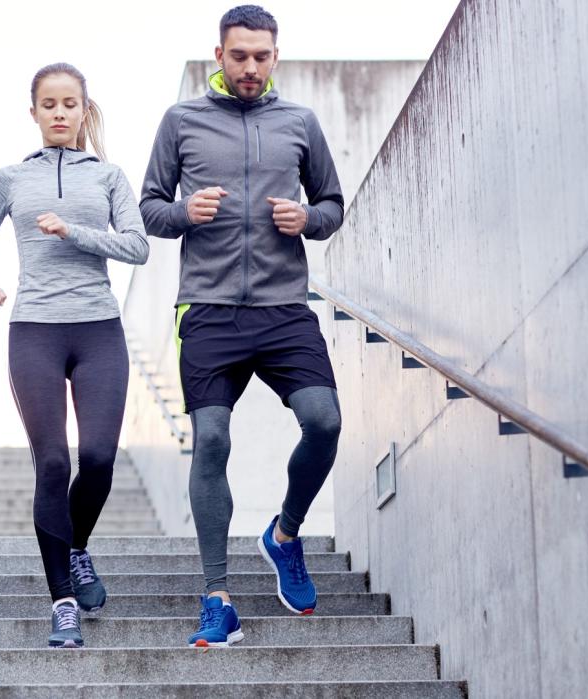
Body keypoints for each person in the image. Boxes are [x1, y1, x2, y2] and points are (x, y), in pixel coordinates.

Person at [139, 5, 345, 647]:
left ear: (274, 56)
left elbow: (335, 204)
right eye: (239, 56)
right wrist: (184, 212)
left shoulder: (300, 123)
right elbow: (149, 209)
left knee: (324, 420)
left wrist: (308, 221)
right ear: (219, 57)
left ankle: (284, 535)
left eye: (261, 56)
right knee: (213, 439)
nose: (250, 67)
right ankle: (217, 596)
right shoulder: (182, 122)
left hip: (284, 308)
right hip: (207, 308)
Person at [0, 62, 149, 648]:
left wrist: (74, 233)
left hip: (98, 331)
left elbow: (138, 246)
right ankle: (62, 599)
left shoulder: (110, 176)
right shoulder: (11, 178)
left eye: (70, 103)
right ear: (35, 112)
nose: (60, 113)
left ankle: (76, 547)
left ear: (83, 110)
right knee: (52, 464)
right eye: (49, 104)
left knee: (96, 459)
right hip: (35, 332)